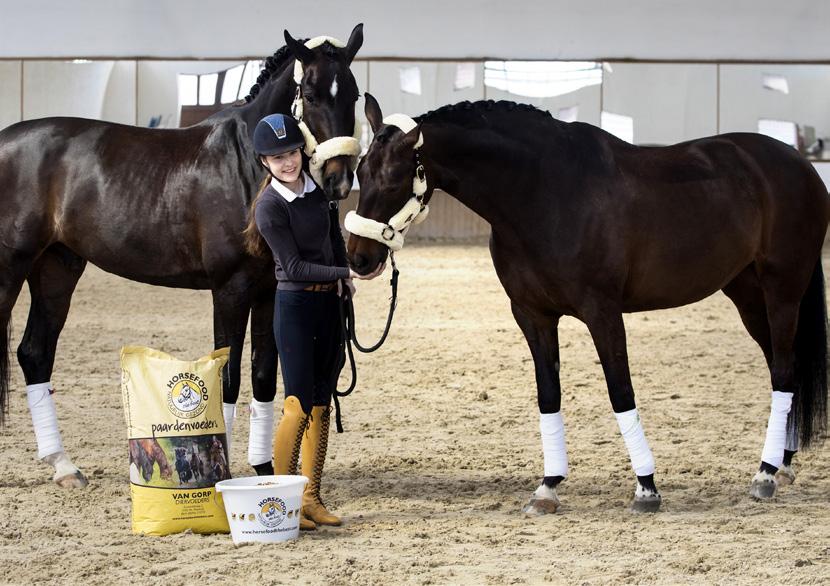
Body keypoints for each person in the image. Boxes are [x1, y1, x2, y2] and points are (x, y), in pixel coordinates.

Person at [243, 113, 383, 531]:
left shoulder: (319, 192)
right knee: (298, 404)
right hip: (297, 308)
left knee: (322, 403)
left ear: (301, 152)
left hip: (330, 307)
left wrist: (344, 279)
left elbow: (333, 242)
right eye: (276, 157)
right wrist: (347, 275)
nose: (286, 163)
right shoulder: (269, 207)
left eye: (290, 153)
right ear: (264, 162)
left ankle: (310, 497)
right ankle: (282, 502)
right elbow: (294, 267)